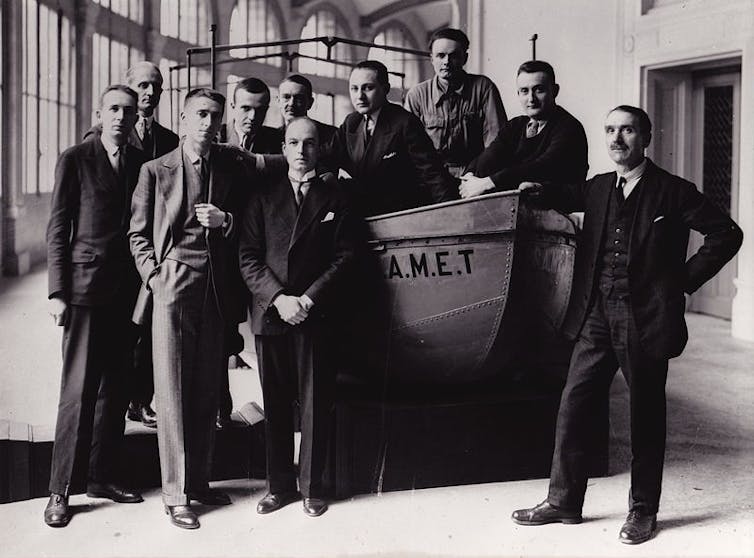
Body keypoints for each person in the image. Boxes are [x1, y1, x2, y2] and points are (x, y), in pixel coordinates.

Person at [511, 105, 743, 544]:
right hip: (596, 314)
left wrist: (680, 283)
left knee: (645, 415)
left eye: (628, 130)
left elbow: (726, 233)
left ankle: (642, 511)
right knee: (574, 404)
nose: (617, 139)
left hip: (645, 318)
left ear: (646, 137)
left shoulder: (673, 190)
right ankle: (563, 501)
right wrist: (532, 189)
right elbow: (565, 195)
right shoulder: (598, 188)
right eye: (610, 130)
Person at [129, 88, 255, 529]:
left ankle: (199, 483)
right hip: (174, 282)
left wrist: (227, 221)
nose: (208, 122)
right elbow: (138, 234)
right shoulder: (154, 170)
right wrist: (154, 276)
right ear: (183, 119)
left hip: (216, 286)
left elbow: (246, 223)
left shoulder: (229, 165)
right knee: (172, 391)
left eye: (215, 115)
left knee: (206, 388)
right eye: (200, 114)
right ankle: (175, 493)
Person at [239, 117, 358, 517]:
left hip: (315, 314)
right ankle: (279, 487)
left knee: (314, 403)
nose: (301, 152)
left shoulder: (336, 197)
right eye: (293, 143)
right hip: (272, 315)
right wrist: (279, 299)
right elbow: (248, 257)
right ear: (284, 148)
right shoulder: (260, 194)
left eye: (309, 144)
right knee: (274, 405)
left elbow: (346, 257)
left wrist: (306, 300)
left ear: (320, 147)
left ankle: (312, 486)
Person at [44, 85, 147, 527]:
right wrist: (58, 292)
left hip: (127, 294)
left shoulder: (142, 164)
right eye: (114, 109)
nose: (122, 117)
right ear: (100, 114)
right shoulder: (75, 158)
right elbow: (57, 228)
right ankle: (60, 490)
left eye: (129, 110)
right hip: (84, 290)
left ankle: (102, 477)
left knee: (116, 390)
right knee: (78, 391)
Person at [332, 60, 458, 216]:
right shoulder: (352, 122)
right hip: (362, 212)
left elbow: (431, 172)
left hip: (399, 214)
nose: (360, 96)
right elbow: (327, 155)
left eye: (368, 88)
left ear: (385, 89)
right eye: (354, 89)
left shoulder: (405, 123)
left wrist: (451, 213)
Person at [126, 61, 180, 428]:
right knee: (121, 331)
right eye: (143, 85)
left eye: (156, 87)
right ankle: (116, 400)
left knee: (148, 330)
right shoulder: (104, 135)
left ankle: (141, 401)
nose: (150, 93)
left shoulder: (170, 140)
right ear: (130, 88)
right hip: (120, 249)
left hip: (154, 249)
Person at [459, 60, 588, 198]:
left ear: (555, 91)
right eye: (524, 91)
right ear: (518, 94)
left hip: (555, 211)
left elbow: (542, 167)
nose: (531, 99)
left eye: (539, 90)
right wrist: (470, 176)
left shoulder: (569, 127)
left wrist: (488, 183)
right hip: (515, 208)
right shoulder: (515, 126)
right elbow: (487, 158)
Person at [405, 28, 506, 178]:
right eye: (441, 56)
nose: (446, 62)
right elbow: (410, 149)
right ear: (432, 59)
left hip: (475, 174)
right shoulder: (417, 95)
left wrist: (475, 177)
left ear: (464, 58)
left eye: (453, 56)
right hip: (430, 177)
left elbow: (496, 142)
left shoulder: (483, 87)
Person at [277, 74, 337, 151]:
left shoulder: (331, 135)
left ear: (310, 103)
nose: (291, 103)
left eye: (299, 98)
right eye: (286, 97)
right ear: (278, 101)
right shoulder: (273, 137)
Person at [226, 77, 283, 154]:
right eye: (246, 108)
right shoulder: (215, 136)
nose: (252, 117)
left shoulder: (277, 139)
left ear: (266, 109)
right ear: (233, 107)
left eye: (260, 110)